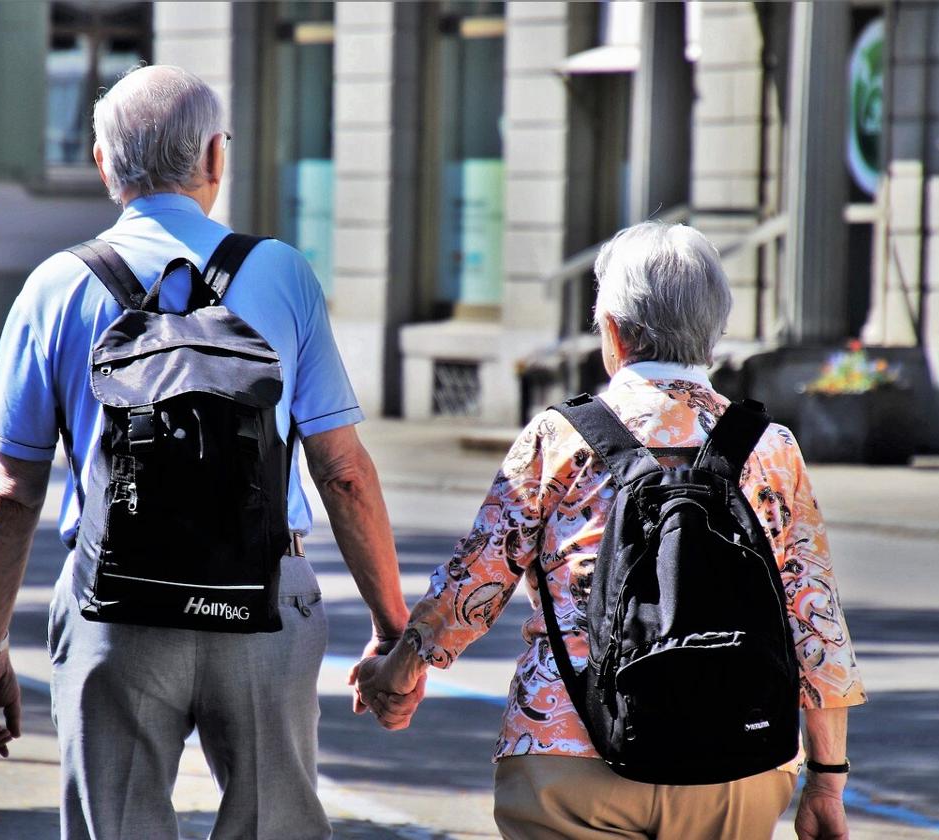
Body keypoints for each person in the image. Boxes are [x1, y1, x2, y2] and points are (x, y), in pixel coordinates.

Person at [0, 65, 420, 839]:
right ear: (216, 157)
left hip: (116, 607)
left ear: (105, 166)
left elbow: (13, 491)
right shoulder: (282, 273)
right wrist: (391, 629)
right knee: (275, 824)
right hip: (266, 601)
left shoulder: (55, 286)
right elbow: (342, 472)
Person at [354, 221, 866, 840]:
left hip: (570, 753)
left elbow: (476, 581)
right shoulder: (771, 449)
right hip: (738, 765)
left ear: (614, 331)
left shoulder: (560, 436)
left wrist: (402, 669)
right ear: (713, 332)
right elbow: (816, 624)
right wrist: (827, 778)